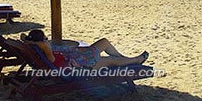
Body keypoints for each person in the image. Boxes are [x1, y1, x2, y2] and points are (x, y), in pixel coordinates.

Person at [21, 30, 149, 69]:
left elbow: (23, 37)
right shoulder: (46, 50)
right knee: (110, 60)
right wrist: (41, 43)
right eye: (45, 38)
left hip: (80, 57)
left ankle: (126, 59)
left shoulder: (38, 48)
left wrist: (31, 41)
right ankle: (136, 60)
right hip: (80, 66)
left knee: (104, 41)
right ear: (42, 41)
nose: (47, 39)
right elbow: (46, 48)